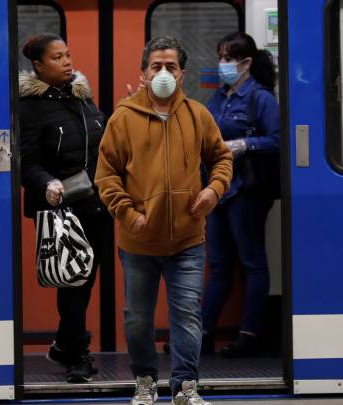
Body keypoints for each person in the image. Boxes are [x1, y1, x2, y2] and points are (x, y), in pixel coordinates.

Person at [95, 36, 233, 405]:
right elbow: (106, 175)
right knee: (138, 318)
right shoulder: (122, 118)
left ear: (182, 74)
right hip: (138, 240)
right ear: (142, 74)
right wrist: (127, 212)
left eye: (170, 66)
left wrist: (213, 191)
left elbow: (222, 159)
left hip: (188, 239)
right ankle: (145, 382)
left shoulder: (198, 116)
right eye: (156, 66)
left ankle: (185, 387)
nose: (163, 73)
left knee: (188, 316)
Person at [19, 33, 113, 383]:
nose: (67, 62)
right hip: (59, 207)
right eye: (57, 57)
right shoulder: (29, 107)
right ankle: (75, 355)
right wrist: (47, 183)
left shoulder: (82, 97)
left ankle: (64, 346)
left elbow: (102, 142)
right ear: (39, 66)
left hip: (95, 203)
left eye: (68, 55)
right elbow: (26, 162)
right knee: (74, 280)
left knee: (86, 282)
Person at [200, 32, 281, 358]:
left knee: (251, 261)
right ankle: (202, 334)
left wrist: (244, 144)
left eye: (229, 59)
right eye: (220, 57)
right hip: (219, 190)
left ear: (246, 63)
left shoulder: (260, 98)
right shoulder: (219, 98)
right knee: (218, 264)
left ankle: (250, 333)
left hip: (246, 190)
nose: (223, 65)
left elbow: (276, 140)